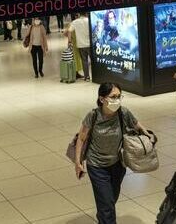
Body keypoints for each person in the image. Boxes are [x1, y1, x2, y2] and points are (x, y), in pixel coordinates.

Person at [74, 83, 150, 224]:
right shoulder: (93, 115)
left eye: (119, 96)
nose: (117, 100)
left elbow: (136, 124)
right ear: (102, 99)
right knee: (107, 203)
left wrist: (147, 134)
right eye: (113, 97)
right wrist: (78, 162)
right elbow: (81, 138)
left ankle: (103, 215)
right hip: (96, 166)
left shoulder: (123, 112)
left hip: (117, 164)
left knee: (110, 199)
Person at [69, 12, 91, 81]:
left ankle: (87, 77)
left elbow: (69, 31)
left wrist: (70, 41)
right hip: (90, 44)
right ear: (86, 14)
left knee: (84, 61)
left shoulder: (75, 22)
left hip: (81, 45)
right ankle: (97, 76)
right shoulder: (89, 20)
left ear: (79, 14)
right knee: (93, 61)